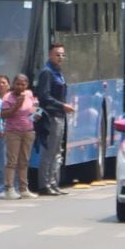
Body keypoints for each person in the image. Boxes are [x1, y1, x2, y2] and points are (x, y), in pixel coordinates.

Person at [33, 43, 76, 195]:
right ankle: (44, 184)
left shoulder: (58, 72)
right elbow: (44, 96)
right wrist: (62, 105)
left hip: (60, 115)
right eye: (57, 54)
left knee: (58, 150)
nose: (60, 57)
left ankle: (54, 182)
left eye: (62, 55)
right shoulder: (47, 72)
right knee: (49, 151)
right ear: (50, 55)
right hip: (51, 116)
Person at [1, 74, 38, 199]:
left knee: (24, 161)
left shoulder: (29, 94)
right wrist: (16, 106)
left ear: (26, 85)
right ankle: (9, 188)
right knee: (12, 161)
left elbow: (34, 110)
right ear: (13, 84)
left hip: (28, 131)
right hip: (13, 132)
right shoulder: (8, 97)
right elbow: (3, 115)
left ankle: (23, 188)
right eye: (17, 84)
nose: (20, 87)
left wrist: (37, 115)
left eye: (23, 84)